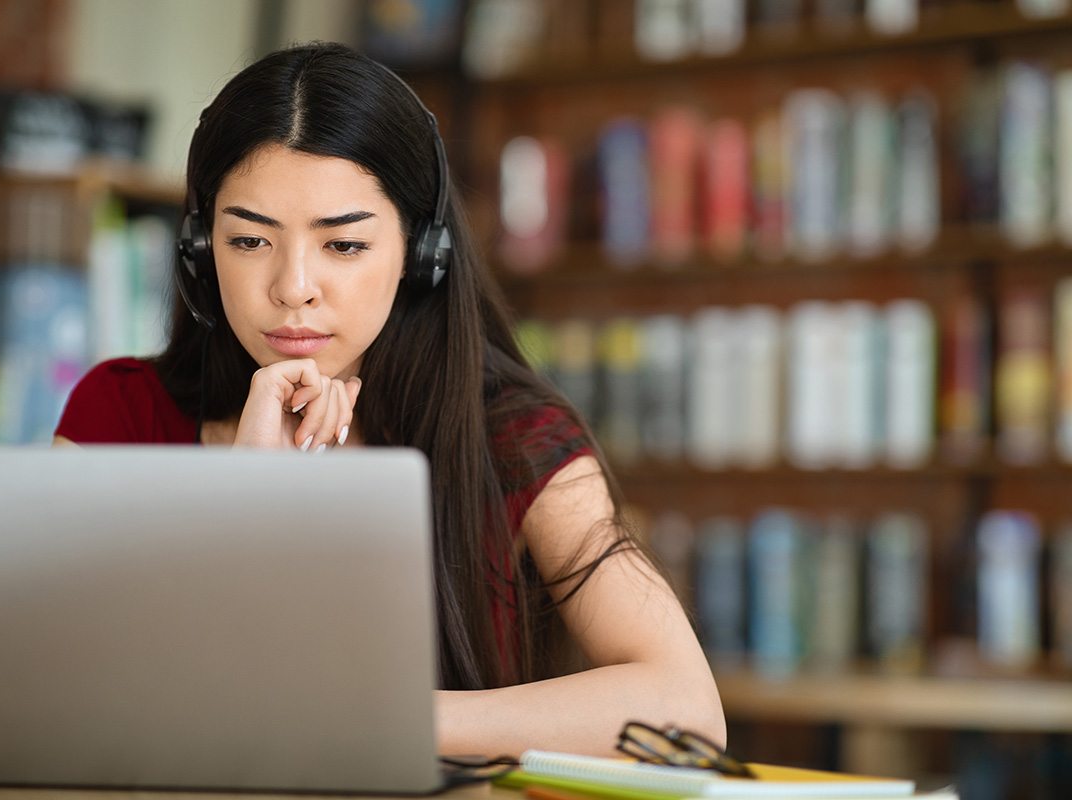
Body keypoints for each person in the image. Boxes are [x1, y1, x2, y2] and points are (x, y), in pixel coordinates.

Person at [54, 41, 724, 759]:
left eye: (343, 247)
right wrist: (241, 503)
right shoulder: (116, 415)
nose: (292, 287)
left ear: (420, 254)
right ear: (198, 250)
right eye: (249, 241)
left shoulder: (514, 438)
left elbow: (684, 711)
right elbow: (46, 687)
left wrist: (366, 718)